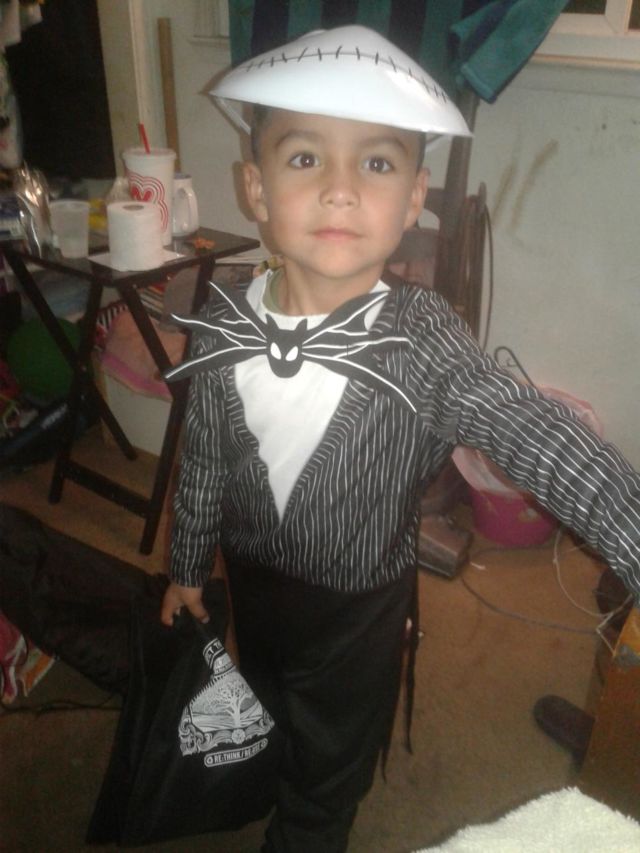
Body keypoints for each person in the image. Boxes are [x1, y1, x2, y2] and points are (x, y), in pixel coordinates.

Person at [160, 24, 640, 853]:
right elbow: (203, 460)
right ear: (256, 188)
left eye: (376, 164)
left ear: (415, 197)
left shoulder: (424, 337)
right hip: (256, 585)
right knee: (267, 701)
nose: (341, 189)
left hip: (359, 610)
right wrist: (186, 566)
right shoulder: (223, 321)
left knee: (330, 764)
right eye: (305, 157)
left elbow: (525, 424)